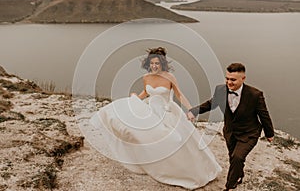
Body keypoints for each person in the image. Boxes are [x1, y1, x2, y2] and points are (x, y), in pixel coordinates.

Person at [89, 47, 221, 190]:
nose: (154, 66)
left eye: (157, 63)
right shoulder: (146, 77)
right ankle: (154, 163)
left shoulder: (170, 77)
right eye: (152, 63)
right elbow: (146, 92)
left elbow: (179, 95)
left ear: (162, 63)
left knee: (176, 139)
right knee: (144, 135)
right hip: (150, 109)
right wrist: (134, 100)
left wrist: (191, 110)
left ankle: (181, 170)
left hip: (167, 111)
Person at [188, 63, 274, 191]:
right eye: (227, 78)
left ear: (243, 78)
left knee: (237, 157)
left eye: (233, 79)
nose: (229, 82)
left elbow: (264, 115)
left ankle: (229, 186)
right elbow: (211, 103)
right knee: (233, 157)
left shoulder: (255, 95)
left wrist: (269, 133)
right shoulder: (221, 90)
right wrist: (194, 111)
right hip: (230, 132)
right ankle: (239, 175)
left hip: (249, 133)